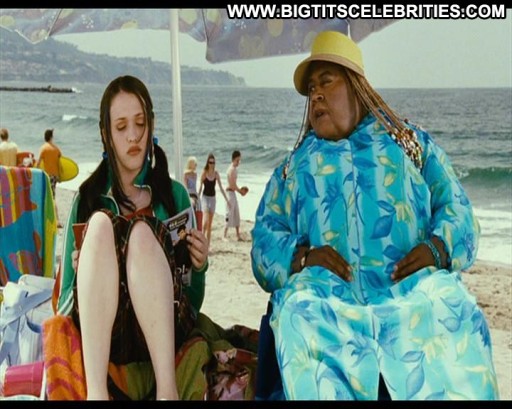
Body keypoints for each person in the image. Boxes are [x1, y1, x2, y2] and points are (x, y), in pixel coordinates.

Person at [250, 31, 499, 400]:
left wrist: (437, 248)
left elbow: (458, 208)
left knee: (457, 310)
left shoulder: (411, 146)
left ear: (356, 86)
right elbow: (264, 240)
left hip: (410, 294)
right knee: (297, 314)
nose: (315, 95)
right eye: (311, 89)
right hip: (327, 303)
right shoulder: (293, 168)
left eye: (326, 81)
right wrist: (300, 258)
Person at [54, 75, 209, 400]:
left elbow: (193, 303)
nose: (133, 136)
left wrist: (199, 266)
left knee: (141, 233)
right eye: (121, 126)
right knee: (100, 227)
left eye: (140, 123)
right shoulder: (87, 198)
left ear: (151, 125)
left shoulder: (174, 196)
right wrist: (83, 274)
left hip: (164, 328)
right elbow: (63, 306)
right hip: (106, 333)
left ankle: (167, 394)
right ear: (106, 134)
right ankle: (98, 395)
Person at [198, 153, 229, 245]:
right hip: (205, 198)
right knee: (205, 222)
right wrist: (197, 198)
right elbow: (200, 187)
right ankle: (202, 241)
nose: (212, 164)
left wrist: (227, 199)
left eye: (213, 162)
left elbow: (221, 187)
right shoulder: (204, 173)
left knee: (209, 225)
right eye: (210, 162)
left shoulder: (216, 174)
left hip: (213, 199)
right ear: (207, 163)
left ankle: (207, 245)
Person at [36, 128, 63, 227]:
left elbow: (38, 163)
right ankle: (53, 219)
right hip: (54, 176)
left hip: (46, 176)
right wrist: (60, 176)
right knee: (51, 196)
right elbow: (61, 163)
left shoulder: (43, 148)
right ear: (51, 137)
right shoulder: (56, 149)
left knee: (49, 197)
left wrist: (34, 174)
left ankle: (56, 220)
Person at [224, 150, 248, 241]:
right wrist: (240, 191)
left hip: (232, 193)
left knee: (236, 213)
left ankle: (238, 235)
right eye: (237, 160)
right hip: (230, 193)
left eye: (239, 160)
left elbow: (234, 185)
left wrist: (239, 190)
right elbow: (232, 185)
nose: (239, 162)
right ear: (233, 159)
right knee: (229, 213)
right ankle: (224, 235)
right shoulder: (231, 170)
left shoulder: (234, 169)